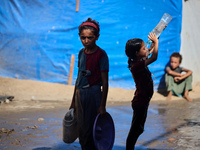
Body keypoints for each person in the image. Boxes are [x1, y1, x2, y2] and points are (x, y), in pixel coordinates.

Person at [69, 18, 109, 150]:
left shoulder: (101, 55)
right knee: (81, 128)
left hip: (94, 94)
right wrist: (73, 101)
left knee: (92, 128)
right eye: (83, 37)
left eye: (90, 38)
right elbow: (78, 78)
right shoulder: (81, 53)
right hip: (80, 95)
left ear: (97, 37)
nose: (86, 41)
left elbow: (105, 82)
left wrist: (102, 105)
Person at [125, 32, 158, 150]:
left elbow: (149, 51)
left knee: (138, 128)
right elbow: (154, 57)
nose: (146, 49)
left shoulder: (139, 58)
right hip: (140, 102)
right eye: (143, 48)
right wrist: (157, 43)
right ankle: (129, 148)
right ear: (137, 53)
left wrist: (154, 41)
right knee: (136, 130)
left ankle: (130, 147)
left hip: (143, 101)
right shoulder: (136, 65)